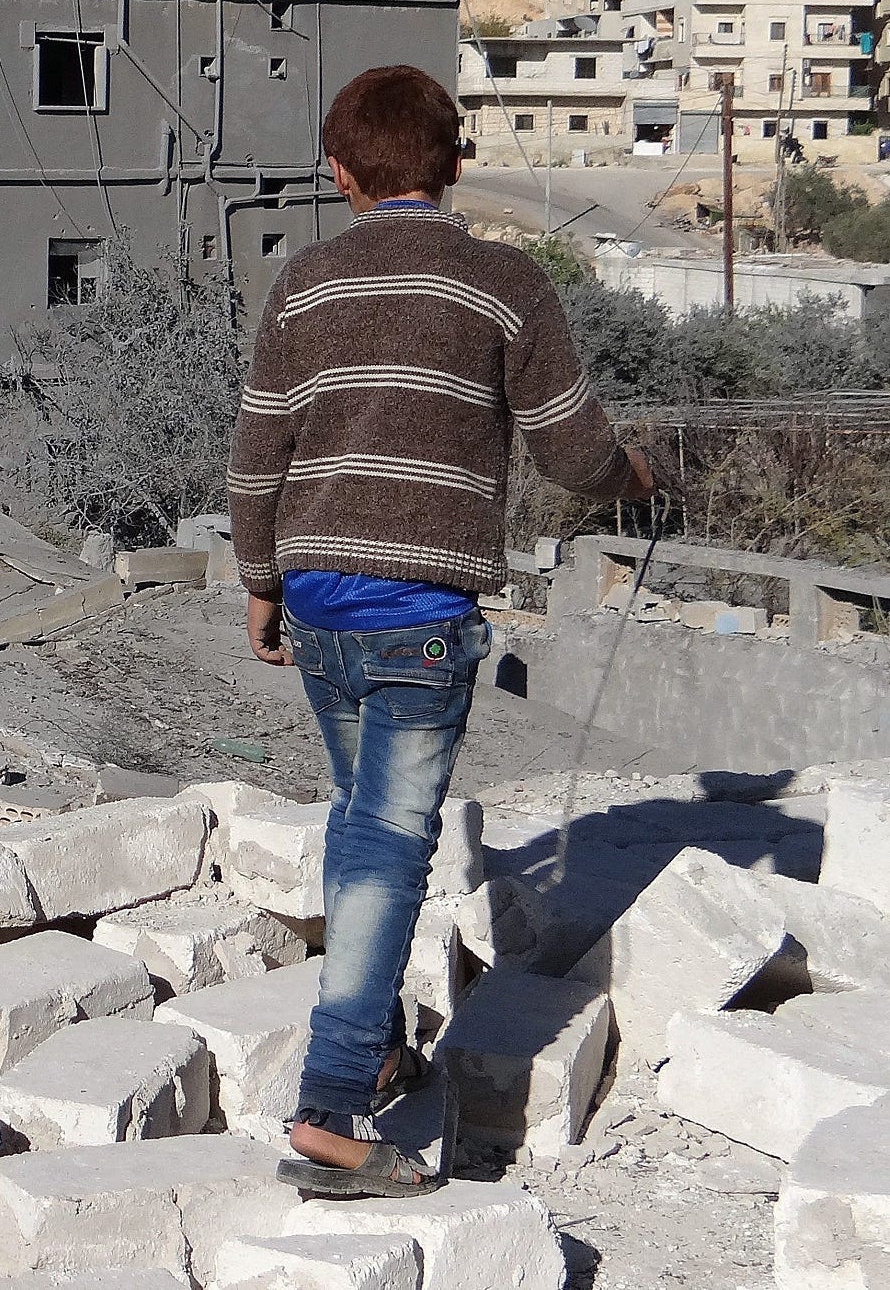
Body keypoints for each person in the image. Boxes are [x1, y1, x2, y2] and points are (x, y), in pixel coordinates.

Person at [228, 64, 653, 1198]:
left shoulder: (304, 281)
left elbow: (259, 447)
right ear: (455, 161)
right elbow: (571, 448)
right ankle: (328, 1108)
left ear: (339, 171)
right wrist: (633, 476)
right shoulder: (502, 280)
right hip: (420, 612)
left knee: (362, 824)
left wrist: (259, 581)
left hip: (316, 602)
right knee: (386, 841)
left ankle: (366, 1051)